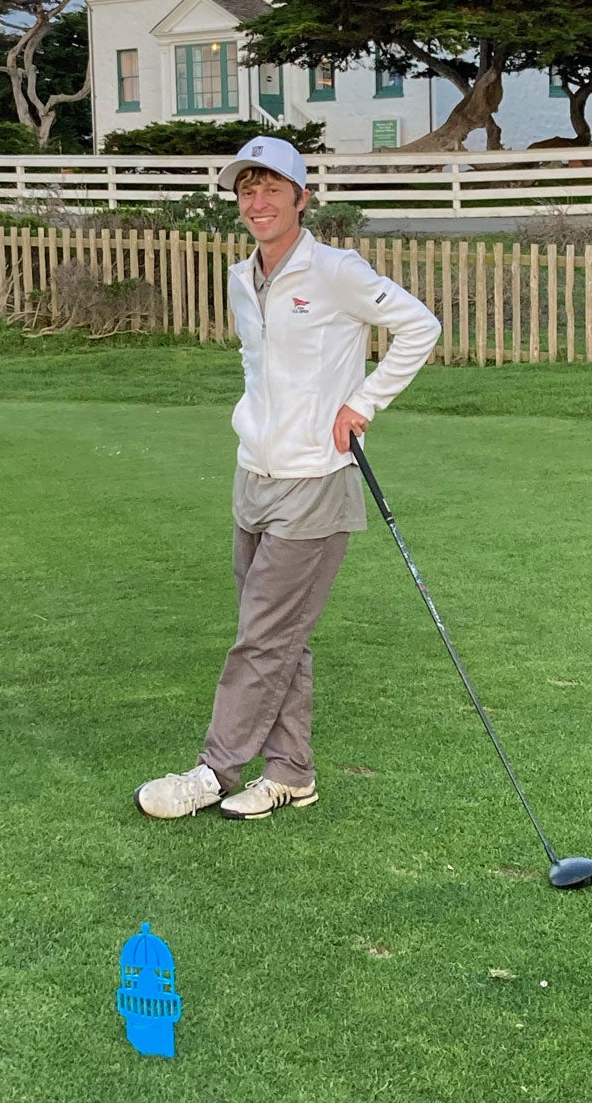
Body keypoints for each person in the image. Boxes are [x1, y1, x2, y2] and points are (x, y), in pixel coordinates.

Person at [135, 136, 441, 821]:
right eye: (247, 189)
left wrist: (363, 403)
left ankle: (214, 771)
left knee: (264, 637)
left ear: (301, 198)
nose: (258, 200)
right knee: (278, 635)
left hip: (315, 482)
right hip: (254, 474)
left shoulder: (336, 270)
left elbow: (420, 326)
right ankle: (291, 772)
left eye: (272, 187)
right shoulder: (242, 278)